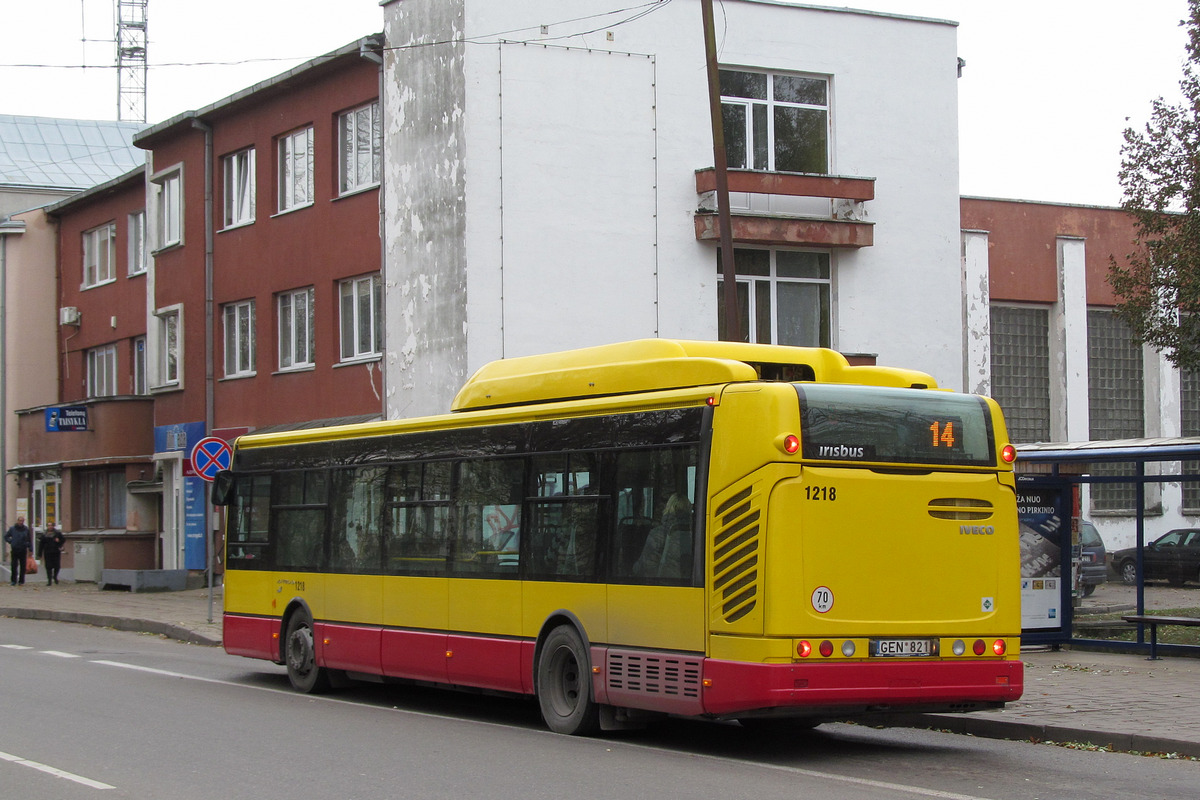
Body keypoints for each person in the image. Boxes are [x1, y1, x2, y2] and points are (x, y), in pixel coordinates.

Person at [4, 516, 32, 586]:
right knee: (14, 565)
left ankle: (21, 581)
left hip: (23, 549)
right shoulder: (12, 529)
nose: (21, 522)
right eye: (20, 521)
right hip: (15, 549)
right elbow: (6, 536)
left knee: (23, 566)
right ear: (17, 521)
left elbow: (29, 539)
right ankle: (13, 580)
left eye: (22, 521)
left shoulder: (26, 529)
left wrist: (30, 547)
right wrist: (11, 541)